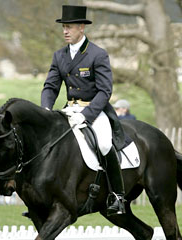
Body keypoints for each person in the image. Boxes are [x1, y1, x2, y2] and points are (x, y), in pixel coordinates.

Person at [41, 5, 128, 216]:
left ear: (81, 27)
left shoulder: (97, 54)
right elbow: (51, 86)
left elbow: (105, 90)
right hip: (69, 110)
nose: (65, 31)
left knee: (105, 144)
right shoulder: (59, 55)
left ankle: (117, 196)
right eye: (63, 27)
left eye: (69, 27)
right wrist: (45, 109)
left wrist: (86, 115)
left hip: (94, 111)